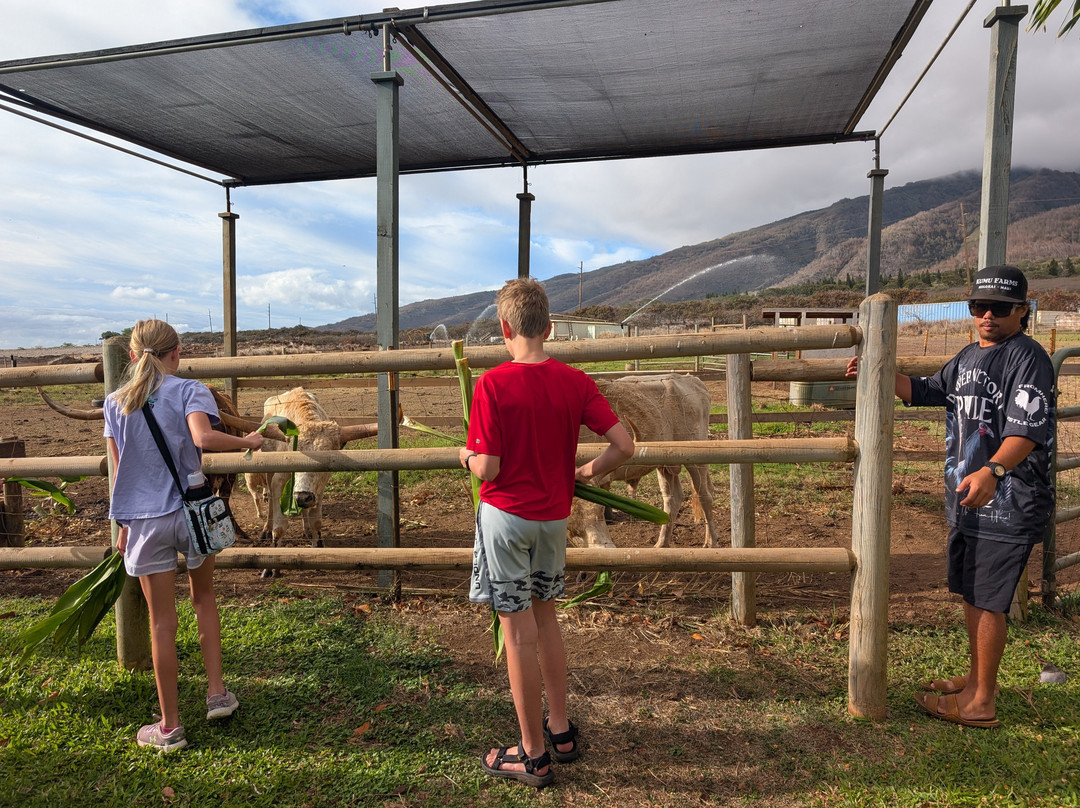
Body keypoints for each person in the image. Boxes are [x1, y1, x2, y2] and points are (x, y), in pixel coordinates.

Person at [847, 265, 1055, 729]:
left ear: (1023, 309)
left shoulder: (1028, 358)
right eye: (979, 306)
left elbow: (1027, 431)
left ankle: (980, 703)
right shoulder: (967, 357)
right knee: (972, 592)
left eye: (1000, 308)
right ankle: (981, 679)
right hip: (970, 498)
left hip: (1007, 498)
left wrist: (994, 469)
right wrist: (878, 372)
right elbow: (925, 391)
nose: (987, 316)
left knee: (989, 599)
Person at [460, 278, 634, 787]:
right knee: (548, 623)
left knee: (517, 638)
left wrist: (465, 456)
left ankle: (531, 754)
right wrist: (589, 470)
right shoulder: (576, 381)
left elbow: (488, 468)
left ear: (504, 328)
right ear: (550, 327)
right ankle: (559, 731)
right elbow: (624, 445)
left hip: (506, 521)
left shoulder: (492, 384)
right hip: (553, 521)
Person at [104, 319, 264, 752]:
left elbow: (120, 472)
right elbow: (204, 437)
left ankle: (170, 727)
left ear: (134, 357)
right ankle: (217, 694)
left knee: (162, 624)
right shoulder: (191, 389)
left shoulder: (114, 402)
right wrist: (249, 439)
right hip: (192, 513)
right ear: (177, 353)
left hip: (142, 521)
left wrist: (121, 527)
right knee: (204, 599)